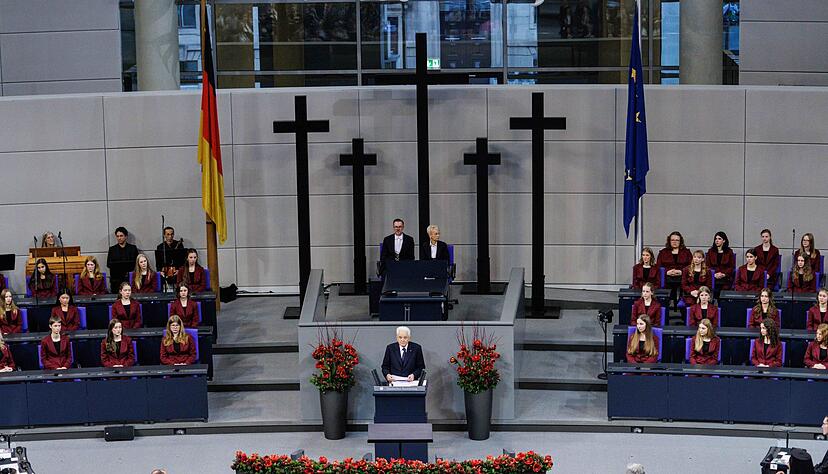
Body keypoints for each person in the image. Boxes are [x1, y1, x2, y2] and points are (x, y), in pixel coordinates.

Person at [656, 231, 692, 309]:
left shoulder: (686, 252)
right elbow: (658, 266)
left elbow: (691, 265)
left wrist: (682, 271)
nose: (674, 242)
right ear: (669, 241)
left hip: (682, 276)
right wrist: (666, 272)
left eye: (677, 240)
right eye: (672, 240)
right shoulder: (663, 252)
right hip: (667, 277)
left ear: (680, 241)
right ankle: (668, 301)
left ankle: (682, 301)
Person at [106, 226, 139, 293]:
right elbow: (108, 264)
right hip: (116, 280)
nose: (119, 238)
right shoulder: (112, 249)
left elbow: (137, 263)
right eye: (117, 236)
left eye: (121, 236)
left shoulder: (133, 248)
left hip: (130, 279)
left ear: (126, 236)